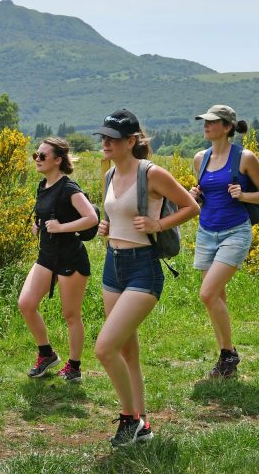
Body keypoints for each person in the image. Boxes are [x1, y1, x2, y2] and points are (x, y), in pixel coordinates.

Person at [92, 109, 200, 446]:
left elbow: (191, 207)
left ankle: (129, 419)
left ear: (131, 141)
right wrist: (106, 227)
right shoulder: (109, 175)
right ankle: (143, 425)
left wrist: (158, 225)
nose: (105, 143)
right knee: (127, 352)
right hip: (113, 265)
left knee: (104, 348)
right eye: (104, 137)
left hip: (143, 267)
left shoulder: (151, 173)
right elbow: (116, 213)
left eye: (112, 138)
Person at [189, 105, 259, 378]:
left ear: (227, 127)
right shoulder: (200, 158)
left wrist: (244, 195)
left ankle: (228, 355)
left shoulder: (245, 158)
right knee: (216, 297)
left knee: (207, 294)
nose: (205, 126)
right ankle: (226, 357)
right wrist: (196, 194)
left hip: (235, 232)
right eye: (205, 121)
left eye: (211, 122)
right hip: (205, 232)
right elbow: (205, 195)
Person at [22, 137, 101, 381]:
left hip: (70, 258)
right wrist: (40, 226)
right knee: (26, 304)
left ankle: (74, 366)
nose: (37, 159)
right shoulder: (42, 186)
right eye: (36, 155)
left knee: (71, 314)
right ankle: (46, 354)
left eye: (43, 156)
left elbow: (91, 218)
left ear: (58, 160)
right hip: (47, 256)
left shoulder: (69, 188)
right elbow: (46, 215)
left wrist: (60, 227)